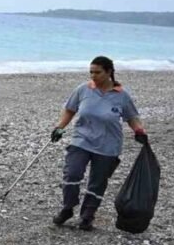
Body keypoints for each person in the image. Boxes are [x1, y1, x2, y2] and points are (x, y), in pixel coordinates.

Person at [50, 56, 147, 231]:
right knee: (72, 174)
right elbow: (70, 109)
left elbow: (132, 117)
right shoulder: (83, 90)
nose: (93, 76)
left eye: (97, 72)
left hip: (108, 146)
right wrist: (59, 127)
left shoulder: (122, 96)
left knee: (98, 181)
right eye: (91, 72)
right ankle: (67, 208)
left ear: (109, 72)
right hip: (81, 140)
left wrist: (139, 131)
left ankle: (87, 216)